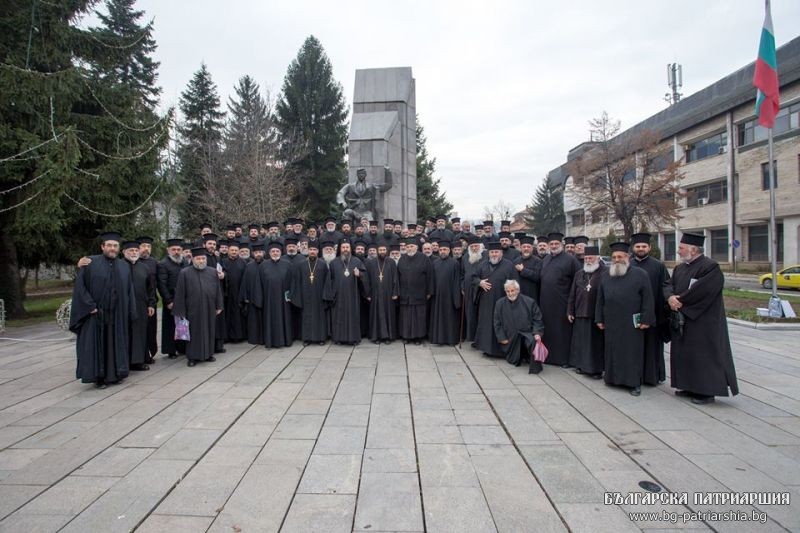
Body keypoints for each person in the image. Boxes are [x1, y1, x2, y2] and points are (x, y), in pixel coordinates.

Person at [666, 233, 738, 405]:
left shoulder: (710, 267)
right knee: (685, 354)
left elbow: (703, 291)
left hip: (704, 321)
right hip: (684, 319)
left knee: (703, 356)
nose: (678, 251)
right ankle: (687, 386)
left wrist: (679, 301)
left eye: (681, 248)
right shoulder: (680, 268)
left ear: (694, 249)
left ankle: (706, 391)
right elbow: (668, 285)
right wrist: (670, 298)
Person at [70, 232, 136, 388]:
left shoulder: (124, 266)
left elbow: (129, 290)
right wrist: (89, 305)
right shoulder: (90, 263)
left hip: (117, 314)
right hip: (97, 314)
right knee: (98, 345)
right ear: (102, 247)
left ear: (118, 248)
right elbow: (80, 287)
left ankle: (116, 374)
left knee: (115, 344)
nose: (112, 248)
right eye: (109, 245)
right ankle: (99, 377)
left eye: (115, 246)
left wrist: (130, 311)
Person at [595, 243, 655, 396]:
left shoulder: (640, 274)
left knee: (631, 352)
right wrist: (599, 318)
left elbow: (648, 299)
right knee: (612, 351)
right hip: (611, 321)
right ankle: (612, 379)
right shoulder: (606, 275)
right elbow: (600, 300)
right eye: (614, 257)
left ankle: (633, 383)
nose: (616, 259)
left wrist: (647, 319)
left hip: (631, 323)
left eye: (619, 256)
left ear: (627, 257)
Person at [629, 233, 670, 385]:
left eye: (644, 246)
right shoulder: (628, 264)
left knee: (652, 347)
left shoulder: (658, 266)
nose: (641, 249)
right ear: (633, 248)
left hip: (653, 313)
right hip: (631, 313)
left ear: (649, 248)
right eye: (638, 246)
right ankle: (635, 374)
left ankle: (652, 376)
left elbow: (666, 288)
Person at [172, 247, 224, 367]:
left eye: (203, 258)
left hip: (209, 307)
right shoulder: (185, 272)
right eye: (198, 259)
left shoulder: (212, 272)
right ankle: (192, 357)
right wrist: (181, 311)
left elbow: (217, 290)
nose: (201, 261)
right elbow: (180, 293)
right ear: (193, 259)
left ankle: (209, 353)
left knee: (210, 330)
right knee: (193, 332)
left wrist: (219, 305)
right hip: (192, 309)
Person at [538, 232, 581, 367]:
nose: (554, 246)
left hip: (563, 303)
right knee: (548, 331)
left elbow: (577, 282)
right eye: (552, 244)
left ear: (561, 244)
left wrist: (572, 304)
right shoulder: (546, 259)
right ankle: (549, 357)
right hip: (546, 303)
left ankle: (564, 360)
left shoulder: (570, 260)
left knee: (562, 333)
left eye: (557, 243)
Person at [472, 242, 519, 357]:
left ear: (501, 253)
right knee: (486, 324)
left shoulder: (509, 265)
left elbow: (514, 282)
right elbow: (473, 277)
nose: (494, 254)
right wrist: (480, 282)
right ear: (489, 253)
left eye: (496, 252)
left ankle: (501, 351)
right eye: (492, 252)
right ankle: (486, 349)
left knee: (501, 324)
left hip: (502, 301)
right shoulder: (482, 265)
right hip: (486, 301)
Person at [567, 246, 605, 378]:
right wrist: (570, 310)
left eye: (591, 258)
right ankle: (581, 366)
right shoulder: (579, 273)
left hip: (595, 314)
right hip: (580, 312)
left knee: (595, 344)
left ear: (598, 258)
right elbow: (572, 293)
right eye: (586, 258)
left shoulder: (605, 272)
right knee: (581, 342)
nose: (588, 260)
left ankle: (596, 370)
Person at [493, 279, 545, 373]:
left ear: (517, 290)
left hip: (527, 333)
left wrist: (537, 333)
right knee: (513, 360)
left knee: (533, 341)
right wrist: (501, 337)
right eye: (508, 291)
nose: (510, 293)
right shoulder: (499, 303)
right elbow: (497, 323)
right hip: (511, 337)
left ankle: (535, 367)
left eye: (512, 290)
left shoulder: (529, 302)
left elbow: (538, 320)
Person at [326, 240, 370, 344]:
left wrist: (359, 274)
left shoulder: (357, 261)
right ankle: (338, 339)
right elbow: (329, 280)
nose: (345, 249)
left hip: (353, 295)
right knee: (338, 317)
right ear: (340, 249)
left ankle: (353, 339)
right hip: (338, 296)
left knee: (353, 317)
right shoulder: (333, 263)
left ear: (351, 249)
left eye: (347, 247)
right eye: (343, 247)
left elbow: (365, 278)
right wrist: (331, 295)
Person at [122, 241, 156, 371]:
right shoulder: (119, 266)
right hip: (124, 306)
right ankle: (126, 360)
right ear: (124, 252)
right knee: (126, 333)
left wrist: (151, 304)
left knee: (140, 333)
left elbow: (151, 288)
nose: (134, 253)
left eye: (136, 251)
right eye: (131, 251)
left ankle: (139, 360)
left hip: (141, 306)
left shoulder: (144, 268)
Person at [289, 241, 330, 345]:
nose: (312, 251)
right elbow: (296, 281)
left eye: (314, 250)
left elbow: (327, 281)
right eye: (310, 250)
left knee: (319, 317)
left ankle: (321, 338)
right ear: (307, 251)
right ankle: (307, 339)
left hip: (319, 296)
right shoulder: (301, 265)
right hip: (305, 296)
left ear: (318, 251)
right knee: (306, 317)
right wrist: (297, 296)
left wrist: (326, 295)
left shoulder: (323, 264)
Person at [397, 238, 434, 344]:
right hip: (405, 294)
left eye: (412, 246)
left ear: (417, 247)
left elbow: (430, 276)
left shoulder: (424, 258)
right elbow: (397, 276)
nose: (409, 248)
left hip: (420, 293)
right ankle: (406, 336)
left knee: (419, 317)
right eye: (408, 247)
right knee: (406, 317)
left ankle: (418, 337)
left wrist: (429, 292)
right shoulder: (402, 258)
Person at [258, 242, 293, 348]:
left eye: (277, 251)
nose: (275, 253)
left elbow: (292, 282)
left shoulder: (287, 264)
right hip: (268, 299)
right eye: (273, 251)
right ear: (269, 253)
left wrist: (290, 296)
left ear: (281, 252)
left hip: (283, 299)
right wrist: (260, 299)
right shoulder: (263, 265)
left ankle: (285, 340)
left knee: (284, 319)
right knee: (269, 319)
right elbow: (258, 283)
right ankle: (270, 341)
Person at [157, 238, 187, 359]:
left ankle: (182, 347)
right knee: (170, 326)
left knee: (183, 324)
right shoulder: (163, 264)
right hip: (171, 299)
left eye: (178, 249)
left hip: (184, 299)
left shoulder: (185, 262)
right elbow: (161, 284)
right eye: (173, 249)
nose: (176, 252)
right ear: (168, 250)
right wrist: (168, 300)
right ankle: (171, 350)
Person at [364, 242, 399, 343]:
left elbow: (395, 278)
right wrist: (368, 294)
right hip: (375, 294)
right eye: (380, 250)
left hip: (388, 294)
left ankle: (388, 337)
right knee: (376, 315)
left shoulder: (391, 262)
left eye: (384, 250)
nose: (382, 252)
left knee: (388, 315)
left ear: (387, 251)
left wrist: (395, 292)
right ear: (377, 251)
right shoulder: (371, 262)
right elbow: (367, 279)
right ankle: (376, 337)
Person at [429, 241, 462, 345]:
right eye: (441, 250)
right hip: (437, 297)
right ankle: (437, 339)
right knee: (437, 317)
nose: (442, 252)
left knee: (449, 318)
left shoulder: (455, 263)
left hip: (450, 296)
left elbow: (457, 281)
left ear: (449, 251)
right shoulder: (435, 262)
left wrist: (456, 299)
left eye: (445, 250)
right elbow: (432, 280)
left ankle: (450, 339)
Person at [136, 236, 159, 364]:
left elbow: (158, 283)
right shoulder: (130, 261)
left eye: (149, 247)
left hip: (151, 302)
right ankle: (140, 355)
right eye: (143, 246)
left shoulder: (154, 262)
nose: (146, 249)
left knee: (151, 329)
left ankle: (150, 353)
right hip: (137, 303)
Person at [239, 244, 265, 345]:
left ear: (263, 253)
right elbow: (244, 283)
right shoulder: (249, 266)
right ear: (253, 254)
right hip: (252, 298)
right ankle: (254, 339)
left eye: (260, 252)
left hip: (265, 298)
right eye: (256, 253)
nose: (258, 254)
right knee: (253, 320)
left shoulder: (267, 264)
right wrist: (245, 297)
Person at [221, 241, 247, 342]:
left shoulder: (243, 263)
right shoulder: (223, 261)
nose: (234, 252)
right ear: (228, 251)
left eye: (236, 250)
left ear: (239, 251)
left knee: (238, 316)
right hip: (227, 293)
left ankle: (239, 336)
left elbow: (245, 278)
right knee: (228, 315)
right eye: (232, 250)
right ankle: (227, 336)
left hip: (239, 292)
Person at [462, 236, 485, 342]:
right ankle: (471, 337)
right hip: (468, 289)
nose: (474, 248)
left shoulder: (485, 256)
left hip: (481, 289)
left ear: (480, 246)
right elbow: (462, 274)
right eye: (472, 247)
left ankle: (480, 338)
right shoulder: (465, 257)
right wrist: (462, 286)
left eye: (476, 246)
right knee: (470, 313)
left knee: (481, 314)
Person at [515, 236, 541, 302]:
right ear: (520, 248)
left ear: (532, 248)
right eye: (524, 247)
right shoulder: (515, 261)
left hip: (532, 294)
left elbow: (537, 277)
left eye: (528, 247)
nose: (526, 249)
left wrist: (523, 270)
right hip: (518, 294)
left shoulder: (538, 261)